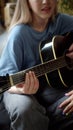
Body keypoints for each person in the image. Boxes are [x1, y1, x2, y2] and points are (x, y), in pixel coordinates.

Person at [0, 0, 73, 130]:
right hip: (18, 88)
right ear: (27, 2)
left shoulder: (63, 22)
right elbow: (6, 78)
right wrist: (21, 90)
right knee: (24, 108)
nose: (46, 2)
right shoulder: (19, 34)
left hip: (53, 88)